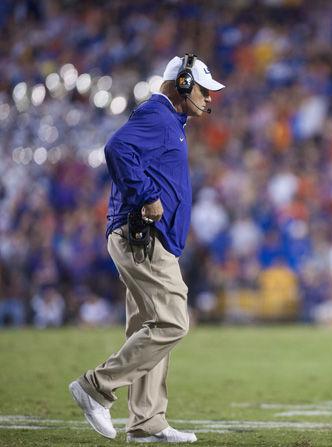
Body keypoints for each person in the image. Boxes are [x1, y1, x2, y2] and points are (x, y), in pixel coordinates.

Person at [68, 54, 224, 443]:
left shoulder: (170, 120)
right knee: (173, 321)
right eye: (204, 90)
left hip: (147, 237)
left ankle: (146, 422)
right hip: (142, 236)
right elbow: (116, 148)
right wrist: (147, 195)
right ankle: (95, 386)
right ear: (184, 83)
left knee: (148, 326)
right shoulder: (158, 115)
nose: (209, 99)